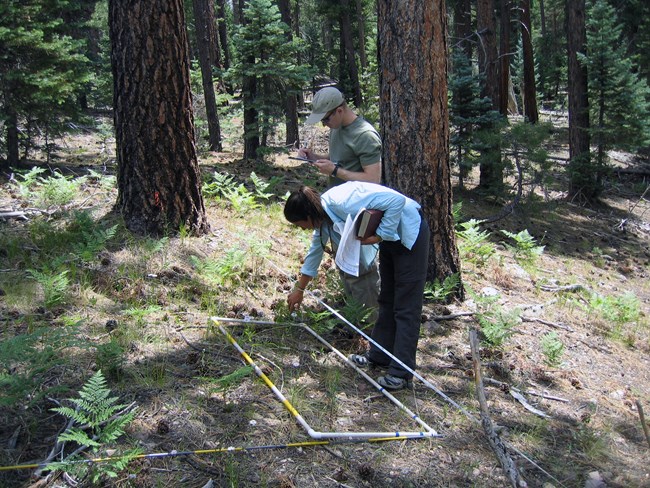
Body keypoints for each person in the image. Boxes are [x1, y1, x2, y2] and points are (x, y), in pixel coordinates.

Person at [284, 182, 430, 391]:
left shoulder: (342, 203)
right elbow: (315, 251)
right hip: (389, 239)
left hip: (409, 232)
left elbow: (396, 200)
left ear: (308, 216)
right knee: (386, 300)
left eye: (300, 224)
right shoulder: (324, 215)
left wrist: (380, 235)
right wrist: (299, 289)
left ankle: (401, 373)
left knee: (406, 306)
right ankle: (379, 356)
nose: (302, 229)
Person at [297, 86, 382, 316]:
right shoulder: (337, 129)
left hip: (359, 216)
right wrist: (316, 158)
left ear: (340, 110)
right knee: (345, 266)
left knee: (362, 271)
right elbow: (340, 161)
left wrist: (334, 170)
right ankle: (356, 315)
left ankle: (371, 326)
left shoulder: (365, 135)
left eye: (326, 119)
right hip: (337, 213)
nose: (324, 125)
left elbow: (373, 180)